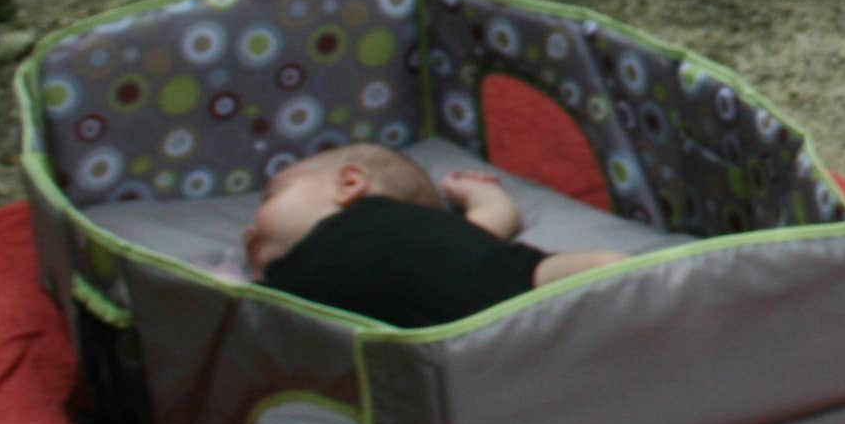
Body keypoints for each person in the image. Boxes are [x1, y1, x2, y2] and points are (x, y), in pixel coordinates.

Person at [241, 141, 629, 327]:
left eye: (272, 195)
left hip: (501, 281)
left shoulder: (392, 222)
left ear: (349, 184)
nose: (251, 225)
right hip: (430, 342)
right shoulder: (289, 277)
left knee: (601, 269)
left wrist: (480, 192)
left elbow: (492, 223)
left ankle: (654, 294)